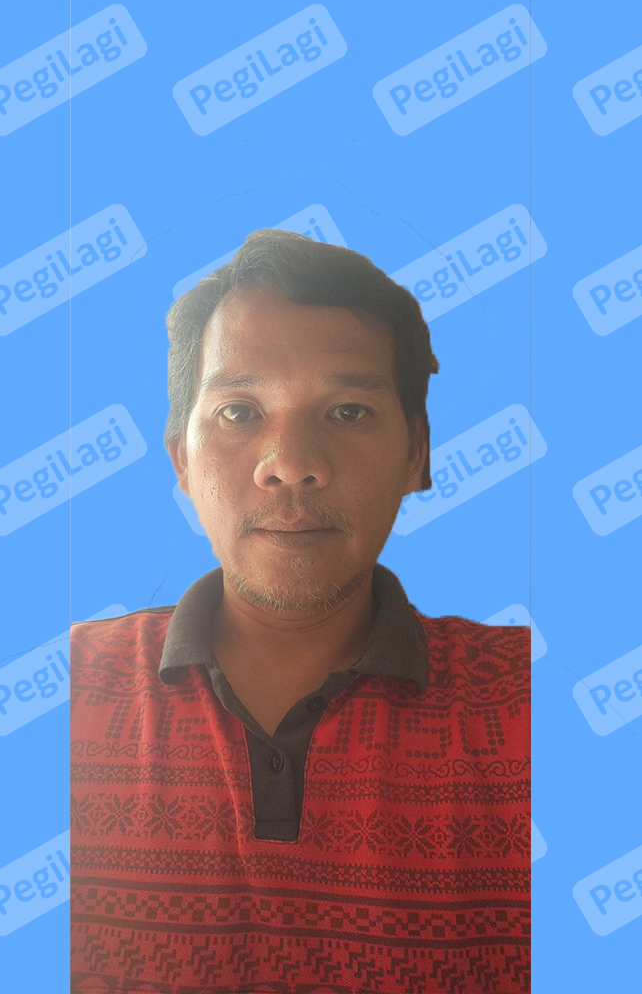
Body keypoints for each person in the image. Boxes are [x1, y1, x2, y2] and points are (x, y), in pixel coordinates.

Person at [70, 230, 530, 994]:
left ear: (417, 454)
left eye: (348, 411)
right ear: (181, 460)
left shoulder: (531, 706)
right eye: (239, 411)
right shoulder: (59, 699)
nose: (290, 463)